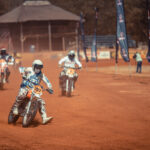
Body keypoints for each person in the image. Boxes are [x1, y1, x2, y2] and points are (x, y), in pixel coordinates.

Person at [13, 59, 54, 124]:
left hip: (35, 89)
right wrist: (23, 74)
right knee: (22, 94)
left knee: (41, 101)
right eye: (37, 67)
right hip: (26, 86)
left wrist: (50, 87)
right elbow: (21, 68)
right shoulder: (29, 69)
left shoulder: (41, 75)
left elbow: (47, 81)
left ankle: (44, 118)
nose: (38, 69)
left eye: (40, 68)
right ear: (33, 66)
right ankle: (16, 107)